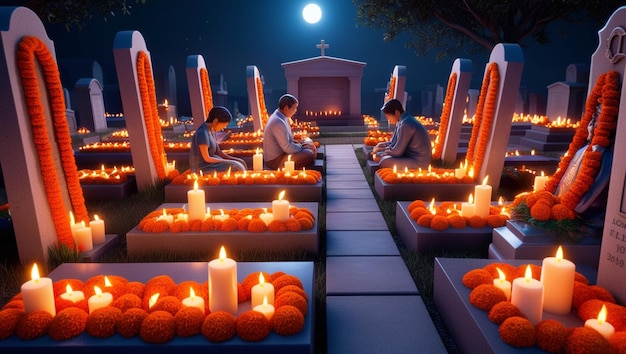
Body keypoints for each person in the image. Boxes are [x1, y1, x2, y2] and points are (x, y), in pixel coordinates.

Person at [372, 99, 432, 169]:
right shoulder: (401, 122)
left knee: (384, 161)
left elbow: (398, 151)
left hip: (419, 161)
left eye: (388, 116)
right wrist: (381, 146)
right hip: (407, 156)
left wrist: (383, 150)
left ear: (396, 112)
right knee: (379, 156)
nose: (388, 119)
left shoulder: (406, 124)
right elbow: (393, 143)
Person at [263, 94, 316, 170]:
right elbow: (287, 147)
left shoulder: (281, 116)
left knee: (308, 150)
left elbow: (289, 141)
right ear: (286, 108)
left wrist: (302, 144)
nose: (295, 111)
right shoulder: (278, 121)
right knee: (309, 154)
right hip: (275, 160)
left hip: (283, 154)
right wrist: (302, 146)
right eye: (294, 108)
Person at [189, 106, 248, 174]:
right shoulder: (202, 133)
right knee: (236, 168)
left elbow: (218, 152)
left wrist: (235, 159)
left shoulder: (211, 130)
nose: (224, 128)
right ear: (215, 121)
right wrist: (228, 162)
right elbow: (207, 158)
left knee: (240, 163)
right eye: (223, 125)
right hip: (204, 167)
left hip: (215, 163)